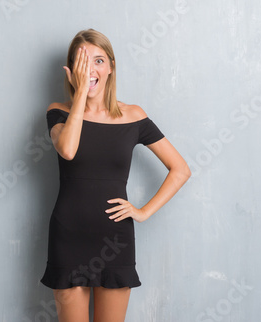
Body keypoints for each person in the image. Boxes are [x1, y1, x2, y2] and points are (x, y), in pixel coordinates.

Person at [40, 29, 191, 322]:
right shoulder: (58, 112)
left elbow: (180, 170)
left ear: (111, 66)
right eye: (83, 62)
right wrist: (81, 93)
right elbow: (68, 150)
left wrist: (144, 211)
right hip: (67, 237)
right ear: (72, 71)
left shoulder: (133, 116)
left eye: (98, 60)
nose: (91, 69)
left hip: (114, 240)